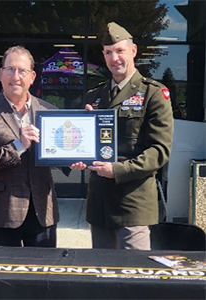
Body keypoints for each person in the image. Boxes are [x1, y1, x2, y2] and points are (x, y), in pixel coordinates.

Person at [71, 22, 173, 250]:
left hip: (133, 203)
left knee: (133, 276)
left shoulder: (153, 94)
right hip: (100, 204)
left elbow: (159, 151)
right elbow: (86, 144)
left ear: (133, 51)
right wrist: (79, 154)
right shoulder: (94, 95)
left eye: (120, 51)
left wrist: (117, 170)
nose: (114, 58)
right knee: (102, 275)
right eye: (108, 52)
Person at [0, 45, 68, 247]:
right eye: (10, 69)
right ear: (1, 74)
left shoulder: (49, 111)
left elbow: (59, 151)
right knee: (3, 276)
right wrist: (18, 145)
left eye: (22, 71)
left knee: (44, 273)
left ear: (32, 77)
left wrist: (73, 160)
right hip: (1, 213)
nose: (16, 76)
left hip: (42, 211)